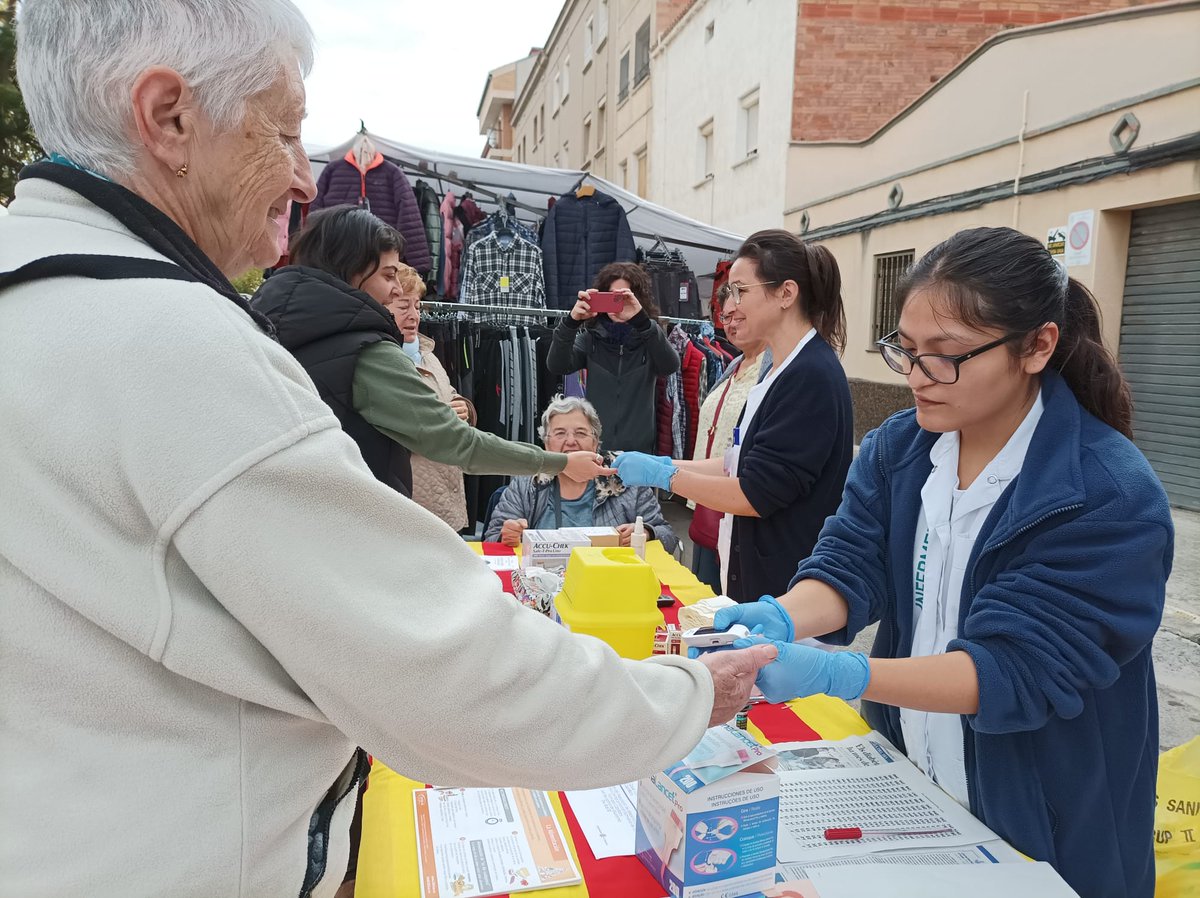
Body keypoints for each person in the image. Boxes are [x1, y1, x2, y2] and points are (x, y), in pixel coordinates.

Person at [0, 3, 776, 896]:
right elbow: (441, 670)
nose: (303, 176)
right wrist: (688, 695)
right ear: (169, 117)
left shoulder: (40, 288)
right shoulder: (173, 344)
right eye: (284, 132)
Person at [718, 228, 1173, 898]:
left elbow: (1015, 668)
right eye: (906, 348)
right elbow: (851, 562)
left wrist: (845, 672)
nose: (916, 376)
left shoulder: (1105, 493)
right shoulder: (902, 447)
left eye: (946, 355)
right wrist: (782, 617)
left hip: (1042, 828)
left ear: (1036, 346)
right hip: (914, 792)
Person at [251, 205, 610, 503]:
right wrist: (560, 462)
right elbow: (458, 443)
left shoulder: (267, 321)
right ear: (352, 267)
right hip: (351, 520)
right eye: (389, 275)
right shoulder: (366, 352)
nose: (395, 290)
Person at [613, 230, 854, 603]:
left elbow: (755, 493)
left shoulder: (809, 374)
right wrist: (665, 463)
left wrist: (666, 477)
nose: (732, 305)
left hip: (786, 591)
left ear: (786, 294)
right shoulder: (776, 370)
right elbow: (737, 463)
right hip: (760, 579)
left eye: (741, 291)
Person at [485, 396, 680, 553]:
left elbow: (669, 538)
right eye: (560, 433)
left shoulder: (625, 478)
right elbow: (491, 539)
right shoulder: (528, 481)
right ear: (546, 444)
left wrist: (646, 532)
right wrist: (506, 536)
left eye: (580, 433)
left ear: (595, 443)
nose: (571, 441)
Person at [546, 261, 680, 454]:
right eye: (611, 297)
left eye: (623, 297)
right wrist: (571, 322)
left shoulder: (649, 338)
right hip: (596, 449)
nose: (618, 305)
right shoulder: (592, 338)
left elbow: (670, 366)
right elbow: (557, 365)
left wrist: (642, 321)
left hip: (639, 452)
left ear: (637, 299)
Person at [384, 262, 476, 531]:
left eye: (417, 306)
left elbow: (449, 395)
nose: (414, 315)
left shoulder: (426, 354)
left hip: (445, 499)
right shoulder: (381, 359)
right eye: (404, 307)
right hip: (412, 506)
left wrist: (464, 409)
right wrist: (443, 418)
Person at [687, 313, 769, 593]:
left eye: (739, 315)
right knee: (701, 592)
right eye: (726, 317)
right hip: (707, 500)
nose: (731, 324)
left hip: (736, 505)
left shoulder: (770, 371)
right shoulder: (732, 365)